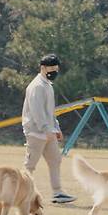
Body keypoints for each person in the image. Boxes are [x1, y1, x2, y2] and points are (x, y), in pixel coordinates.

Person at [22, 54, 76, 204]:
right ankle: (24, 193)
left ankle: (57, 192)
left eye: (56, 69)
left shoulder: (47, 85)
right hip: (36, 132)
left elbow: (49, 112)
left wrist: (56, 128)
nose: (54, 72)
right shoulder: (37, 86)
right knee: (30, 165)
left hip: (48, 133)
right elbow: (37, 111)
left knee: (55, 160)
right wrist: (46, 129)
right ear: (42, 68)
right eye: (51, 69)